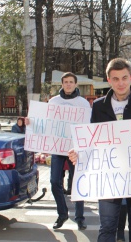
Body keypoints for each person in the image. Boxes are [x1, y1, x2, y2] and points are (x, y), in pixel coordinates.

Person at [69, 58, 131, 242]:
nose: (120, 83)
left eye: (124, 78)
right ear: (108, 79)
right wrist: (79, 153)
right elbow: (92, 139)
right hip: (108, 177)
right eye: (115, 78)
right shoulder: (98, 106)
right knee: (107, 226)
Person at [36, 72, 90, 231]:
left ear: (75, 84)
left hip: (76, 151)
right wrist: (31, 122)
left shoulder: (83, 103)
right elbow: (45, 123)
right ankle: (62, 214)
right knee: (54, 182)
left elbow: (87, 126)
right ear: (62, 84)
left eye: (71, 82)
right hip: (58, 148)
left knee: (77, 184)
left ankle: (80, 218)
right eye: (65, 82)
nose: (68, 84)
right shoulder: (53, 101)